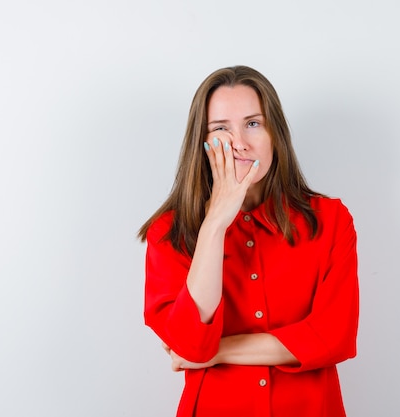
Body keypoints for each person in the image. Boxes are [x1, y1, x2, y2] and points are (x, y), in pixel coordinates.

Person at [138, 65, 359, 417]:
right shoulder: (170, 232)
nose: (239, 142)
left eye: (253, 124)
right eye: (221, 128)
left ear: (275, 133)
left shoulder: (330, 220)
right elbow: (192, 342)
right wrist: (214, 225)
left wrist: (217, 352)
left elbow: (334, 337)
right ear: (203, 142)